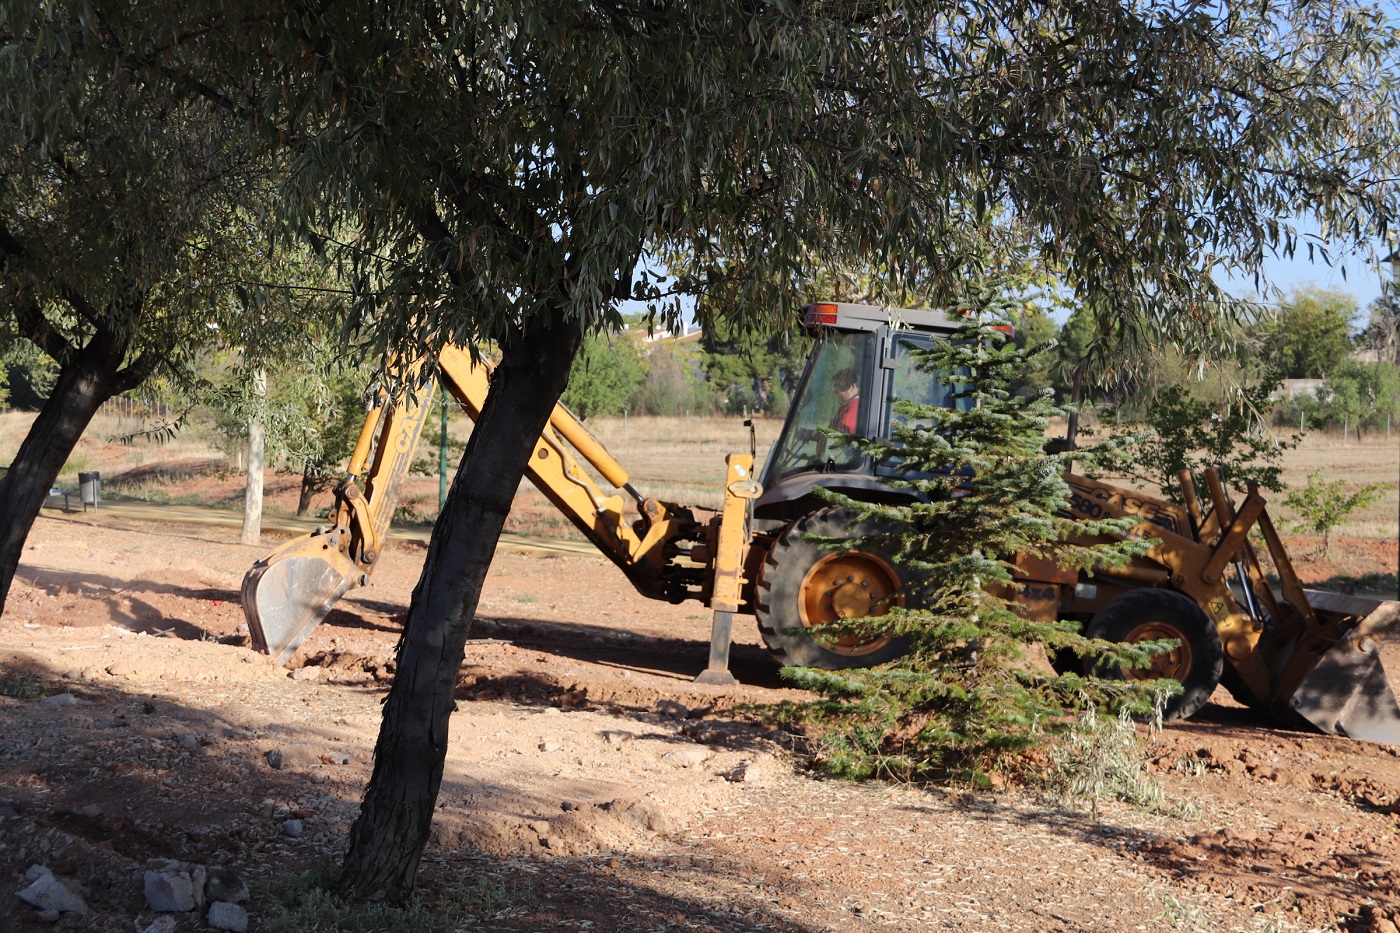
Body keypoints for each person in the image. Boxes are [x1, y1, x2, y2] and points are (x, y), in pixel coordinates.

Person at [830, 367, 860, 433]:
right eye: (835, 387)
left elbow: (838, 436)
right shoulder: (845, 407)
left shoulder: (855, 407)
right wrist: (811, 433)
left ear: (852, 387)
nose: (836, 392)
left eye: (841, 387)